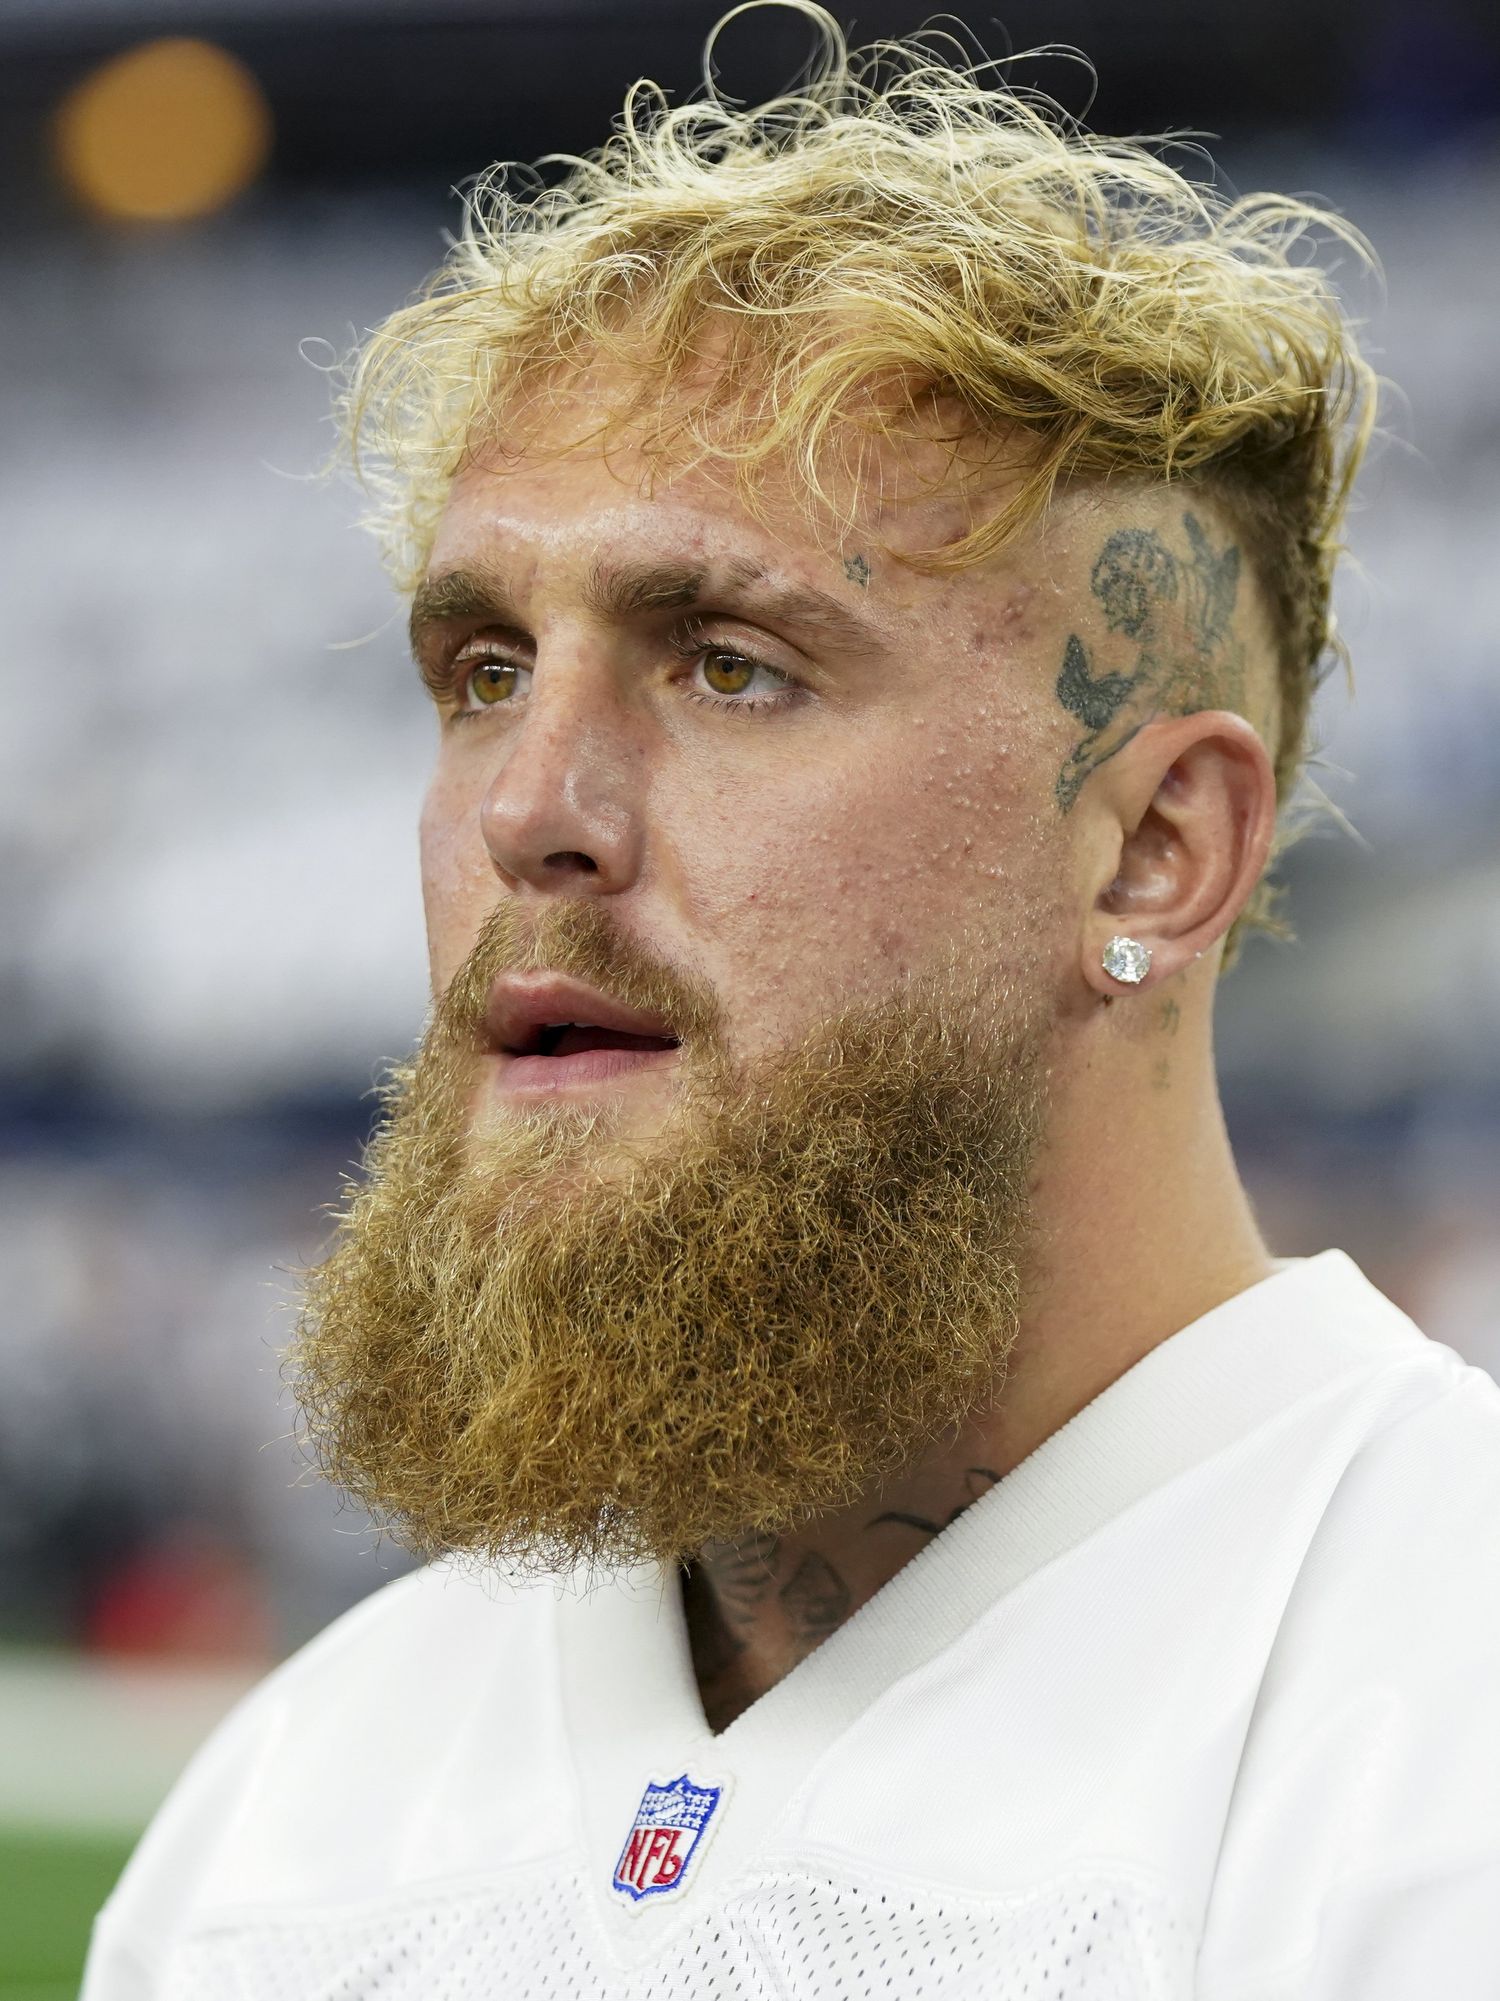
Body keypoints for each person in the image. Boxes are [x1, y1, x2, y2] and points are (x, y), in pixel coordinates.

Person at [83, 7, 1500, 1995]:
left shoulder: (1443, 1748)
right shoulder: (289, 1814)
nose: (528, 811)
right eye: (484, 666)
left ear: (1157, 847)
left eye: (731, 662)